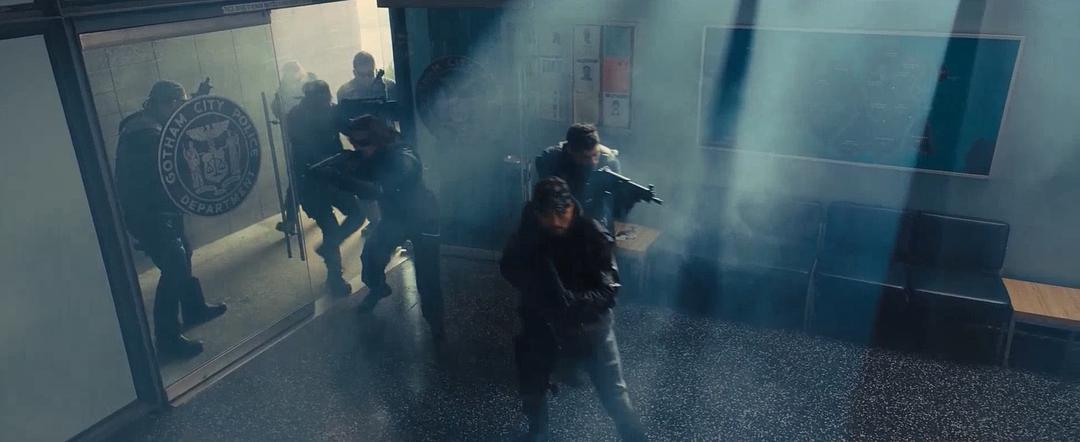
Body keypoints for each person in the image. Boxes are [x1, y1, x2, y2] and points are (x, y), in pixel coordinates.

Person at [500, 177, 646, 441]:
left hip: (589, 327)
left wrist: (575, 302)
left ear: (570, 207)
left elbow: (609, 289)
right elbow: (508, 266)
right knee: (532, 386)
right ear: (537, 212)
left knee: (615, 396)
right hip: (542, 323)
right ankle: (537, 434)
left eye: (561, 213)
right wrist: (536, 287)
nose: (556, 221)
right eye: (548, 214)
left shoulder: (591, 233)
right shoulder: (529, 230)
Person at [114, 79, 227, 358]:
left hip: (161, 208)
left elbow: (176, 124)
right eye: (178, 105)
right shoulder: (145, 135)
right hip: (148, 213)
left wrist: (197, 99)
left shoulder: (150, 122)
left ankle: (193, 308)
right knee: (175, 266)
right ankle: (167, 340)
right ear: (167, 104)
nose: (181, 111)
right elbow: (172, 159)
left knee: (183, 253)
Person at [314, 115, 443, 340]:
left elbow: (378, 189)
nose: (359, 147)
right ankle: (378, 289)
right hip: (395, 218)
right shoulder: (372, 155)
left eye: (363, 142)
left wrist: (339, 178)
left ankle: (437, 326)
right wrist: (340, 167)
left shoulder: (403, 155)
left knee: (427, 277)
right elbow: (363, 170)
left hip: (423, 218)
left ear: (379, 137)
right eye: (354, 142)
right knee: (371, 259)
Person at [286, 80, 366, 296]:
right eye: (325, 98)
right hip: (312, 182)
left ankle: (330, 252)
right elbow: (305, 150)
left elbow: (349, 127)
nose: (328, 102)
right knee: (331, 226)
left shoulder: (318, 112)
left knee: (356, 214)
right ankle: (334, 276)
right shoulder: (299, 117)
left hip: (331, 178)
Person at [273, 61, 318, 236]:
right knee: (296, 181)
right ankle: (291, 220)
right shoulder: (283, 90)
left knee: (316, 179)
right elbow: (277, 109)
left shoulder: (312, 82)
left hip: (316, 140)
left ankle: (315, 214)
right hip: (297, 142)